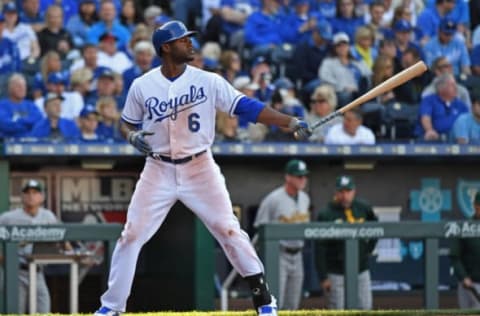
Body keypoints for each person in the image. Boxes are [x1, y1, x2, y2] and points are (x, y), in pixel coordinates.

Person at [93, 20, 311, 316]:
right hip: (158, 169)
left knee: (228, 230)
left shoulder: (208, 80)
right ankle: (111, 307)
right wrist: (131, 136)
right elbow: (126, 122)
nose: (190, 43)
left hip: (199, 167)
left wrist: (290, 121)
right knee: (131, 234)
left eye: (189, 38)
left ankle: (264, 301)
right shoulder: (142, 85)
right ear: (166, 47)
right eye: (184, 40)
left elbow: (245, 106)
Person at [0, 179, 64, 313]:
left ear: (42, 197)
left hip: (37, 272)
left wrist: (74, 251)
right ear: (22, 197)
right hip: (16, 271)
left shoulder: (48, 216)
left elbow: (63, 237)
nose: (31, 196)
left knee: (43, 309)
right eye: (27, 192)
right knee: (15, 312)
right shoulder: (9, 217)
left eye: (35, 192)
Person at [254, 159, 311, 310]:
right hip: (278, 254)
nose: (303, 179)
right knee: (275, 300)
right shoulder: (273, 199)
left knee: (293, 304)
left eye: (304, 176)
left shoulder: (305, 198)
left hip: (298, 255)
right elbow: (259, 228)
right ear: (288, 177)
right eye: (299, 176)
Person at [315, 175, 378, 310]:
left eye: (348, 191)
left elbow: (376, 229)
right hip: (336, 271)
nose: (345, 196)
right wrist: (323, 276)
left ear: (354, 191)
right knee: (337, 309)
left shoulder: (363, 208)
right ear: (336, 193)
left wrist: (368, 250)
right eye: (341, 192)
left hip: (360, 269)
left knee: (365, 307)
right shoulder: (326, 213)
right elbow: (319, 248)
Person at [449, 191, 480, 309]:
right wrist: (463, 277)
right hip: (469, 284)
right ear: (474, 206)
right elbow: (455, 256)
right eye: (478, 206)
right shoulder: (464, 227)